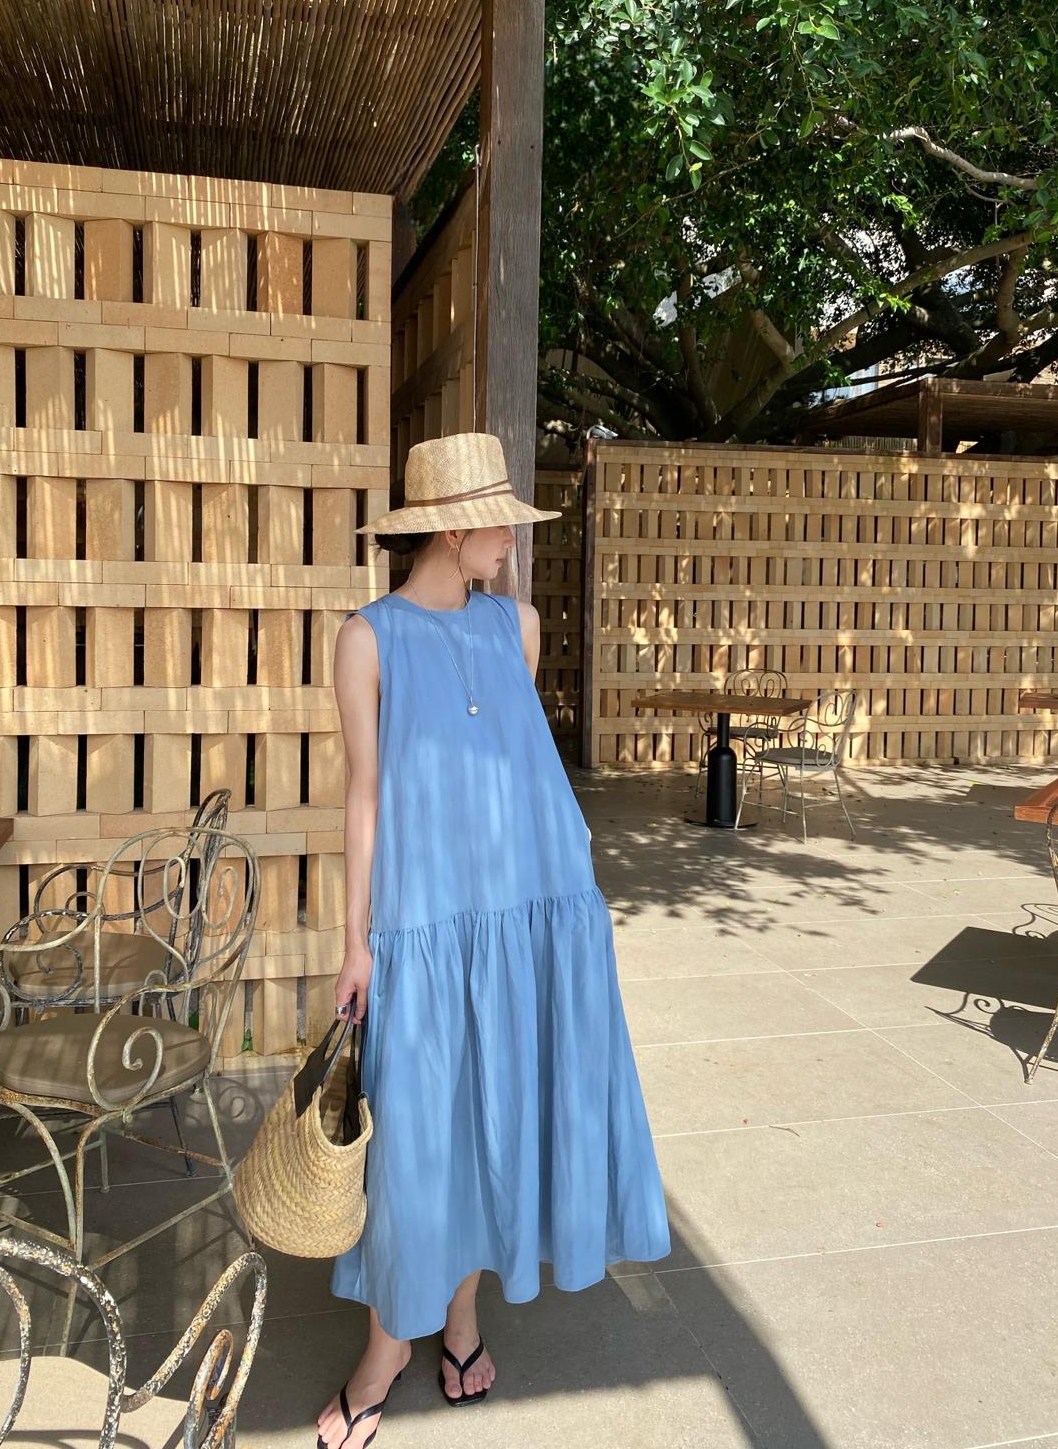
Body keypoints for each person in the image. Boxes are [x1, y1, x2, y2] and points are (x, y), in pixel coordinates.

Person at [315, 431, 671, 1449]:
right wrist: (357, 941)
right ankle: (389, 1346)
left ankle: (462, 1318)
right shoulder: (367, 638)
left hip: (528, 912)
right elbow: (365, 796)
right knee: (421, 1131)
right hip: (425, 921)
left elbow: (518, 770)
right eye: (501, 524)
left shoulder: (519, 625)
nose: (513, 539)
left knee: (494, 1117)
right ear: (455, 529)